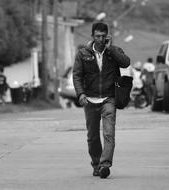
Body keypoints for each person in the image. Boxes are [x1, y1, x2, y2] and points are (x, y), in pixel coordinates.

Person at [72, 22, 130, 179]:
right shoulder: (83, 54)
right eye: (97, 36)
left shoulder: (114, 51)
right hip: (89, 100)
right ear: (92, 36)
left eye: (104, 36)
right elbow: (76, 75)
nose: (100, 39)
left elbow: (126, 62)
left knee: (109, 134)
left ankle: (105, 165)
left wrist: (110, 48)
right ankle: (96, 163)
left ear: (108, 36)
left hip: (109, 99)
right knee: (92, 136)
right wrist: (80, 94)